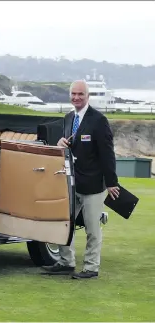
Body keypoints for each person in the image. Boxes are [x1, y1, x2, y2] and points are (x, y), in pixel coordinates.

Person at [42, 79, 119, 279]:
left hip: (93, 185)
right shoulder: (69, 118)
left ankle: (91, 268)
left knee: (93, 229)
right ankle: (66, 262)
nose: (76, 98)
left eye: (80, 95)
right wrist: (60, 143)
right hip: (71, 182)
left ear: (87, 96)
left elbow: (107, 154)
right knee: (63, 223)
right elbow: (69, 146)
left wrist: (111, 182)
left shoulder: (98, 120)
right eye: (73, 94)